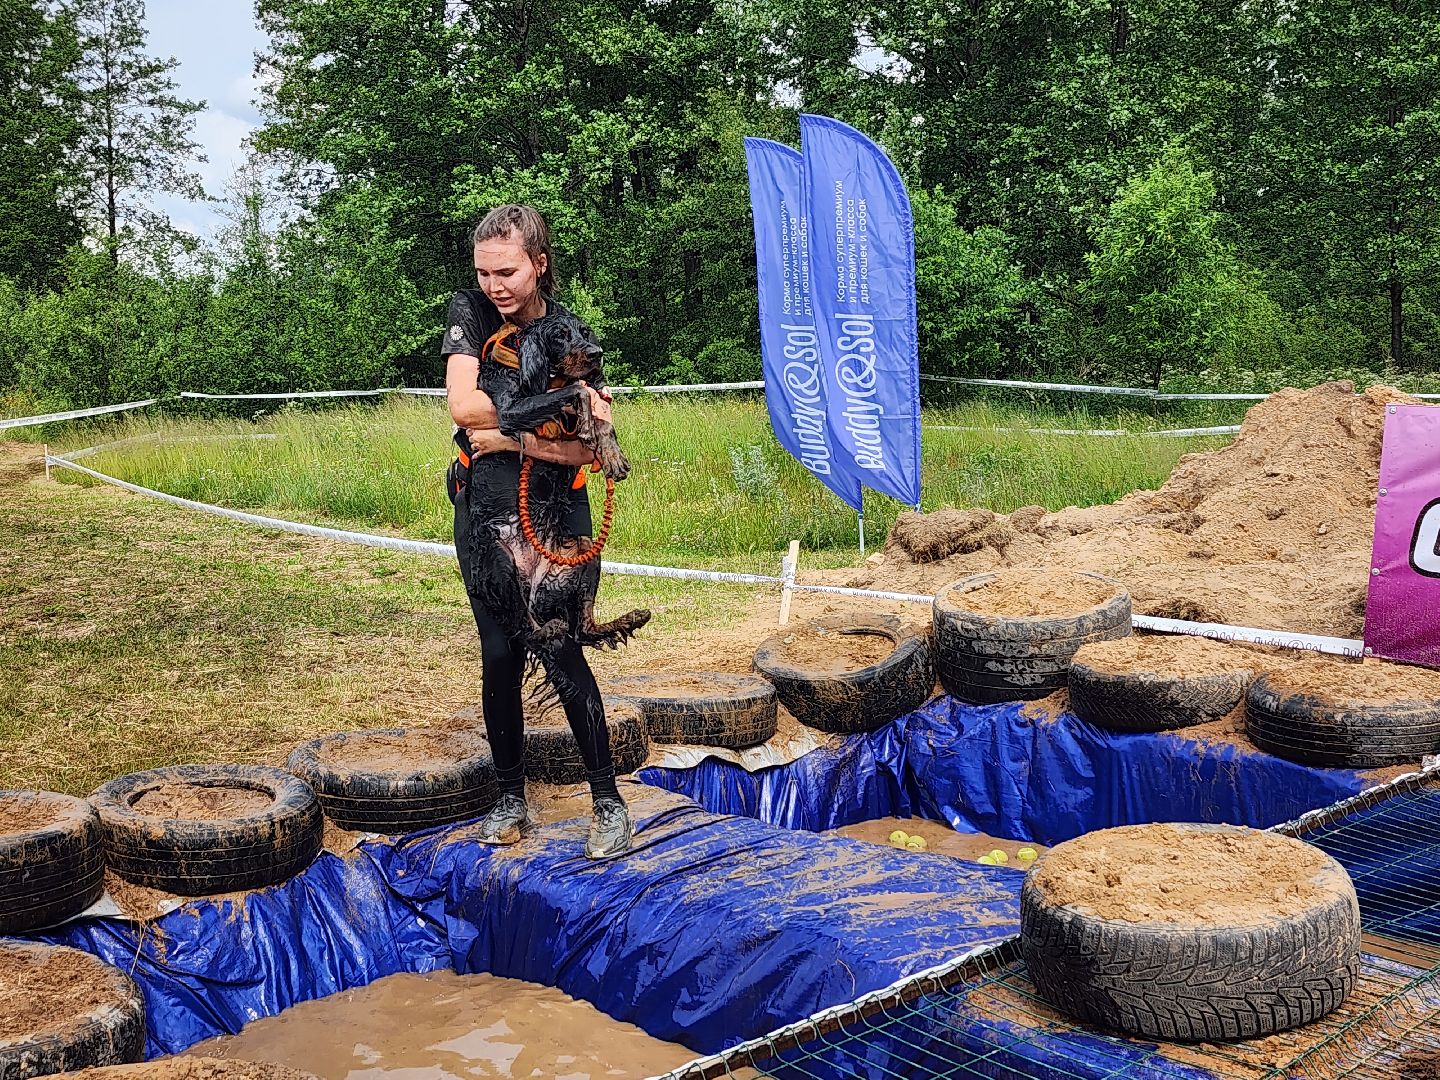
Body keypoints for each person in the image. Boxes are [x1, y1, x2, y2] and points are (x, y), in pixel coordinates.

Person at [442, 204, 632, 859]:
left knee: (560, 649)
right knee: (500, 652)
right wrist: (541, 410)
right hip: (480, 513)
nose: (495, 285)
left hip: (557, 515)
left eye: (509, 272)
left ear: (540, 264)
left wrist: (513, 439)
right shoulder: (468, 311)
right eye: (484, 271)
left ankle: (607, 802)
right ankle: (508, 794)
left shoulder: (568, 335)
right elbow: (461, 406)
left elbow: (593, 448)